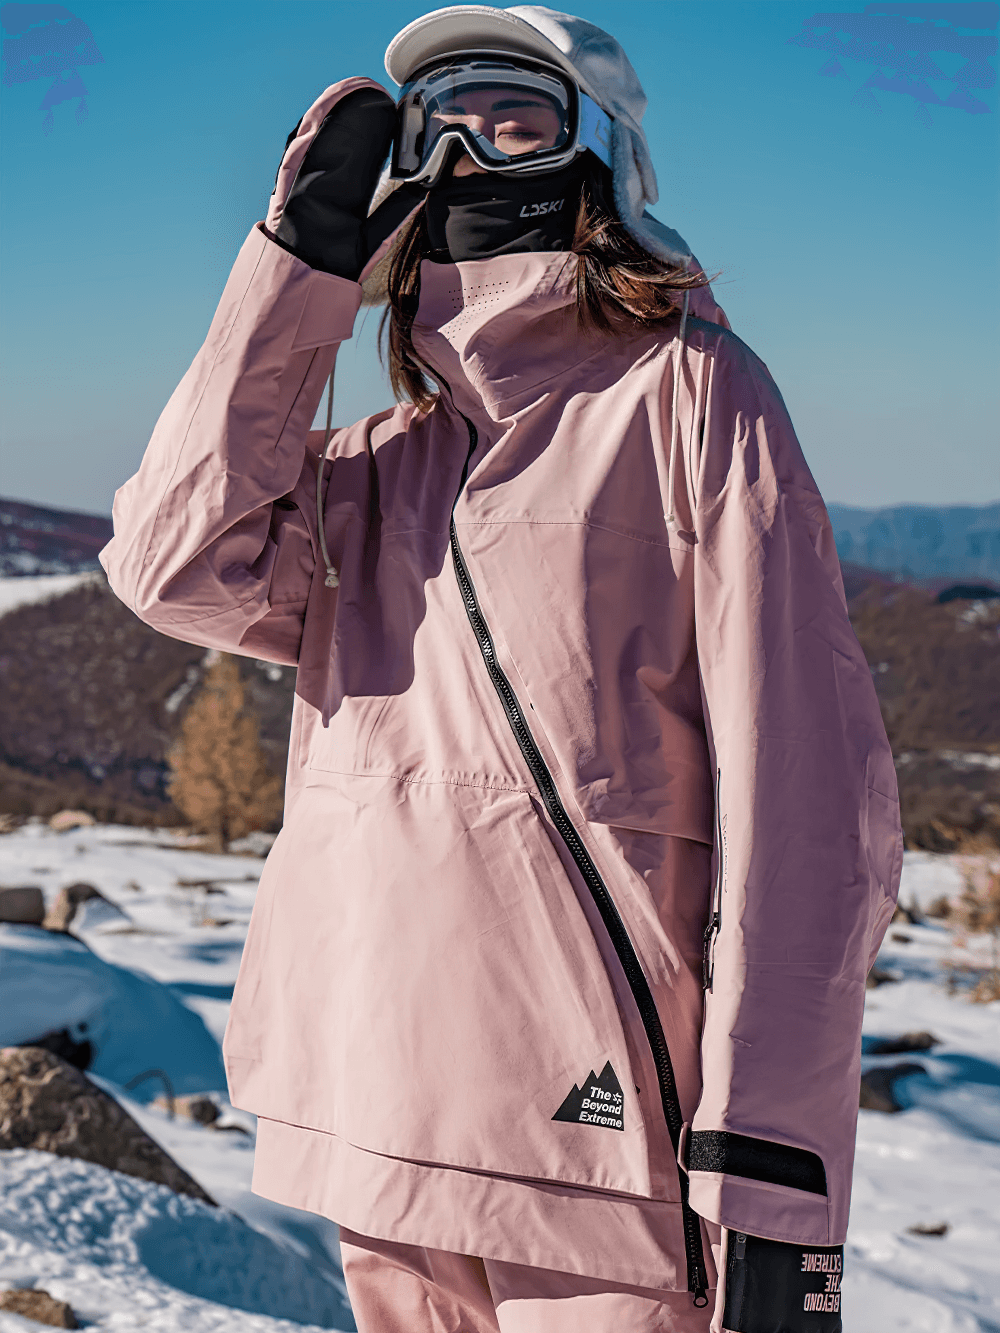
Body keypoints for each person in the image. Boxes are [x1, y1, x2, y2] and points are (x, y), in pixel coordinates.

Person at [100, 6, 903, 1330]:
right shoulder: (375, 468)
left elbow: (810, 798)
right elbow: (173, 561)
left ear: (599, 159)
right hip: (380, 1112)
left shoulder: (690, 397)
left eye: (512, 113)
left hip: (601, 1154)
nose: (470, 149)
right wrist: (290, 269)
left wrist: (773, 1176)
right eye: (438, 126)